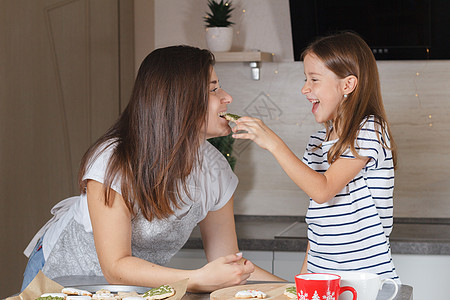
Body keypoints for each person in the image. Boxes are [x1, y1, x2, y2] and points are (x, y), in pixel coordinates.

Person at [22, 45, 282, 292]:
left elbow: (230, 263)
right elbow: (116, 267)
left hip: (129, 288)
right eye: (213, 89)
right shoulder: (113, 161)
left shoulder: (215, 170)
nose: (227, 97)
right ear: (179, 101)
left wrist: (297, 290)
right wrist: (197, 278)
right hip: (63, 276)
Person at [232, 32, 400, 282]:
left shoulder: (369, 130)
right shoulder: (317, 143)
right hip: (324, 280)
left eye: (314, 79)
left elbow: (323, 191)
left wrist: (273, 143)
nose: (304, 89)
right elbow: (320, 225)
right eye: (305, 79)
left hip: (366, 283)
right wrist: (304, 280)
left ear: (347, 85)